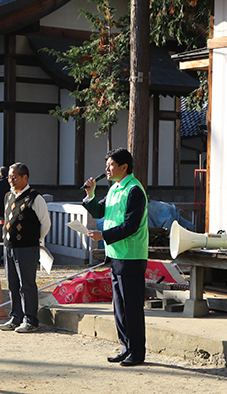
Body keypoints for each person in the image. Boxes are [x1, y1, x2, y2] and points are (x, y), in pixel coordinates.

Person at [82, 148, 148, 366]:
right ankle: (126, 346)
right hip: (117, 254)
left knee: (132, 306)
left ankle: (137, 351)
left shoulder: (134, 190)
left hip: (132, 255)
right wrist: (91, 194)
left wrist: (103, 235)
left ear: (123, 167)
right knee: (119, 306)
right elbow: (99, 212)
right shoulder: (115, 189)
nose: (106, 169)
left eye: (110, 165)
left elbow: (131, 225)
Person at [0, 162, 51, 333]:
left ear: (25, 178)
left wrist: (36, 239)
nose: (11, 181)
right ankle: (16, 317)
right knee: (12, 284)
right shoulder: (8, 196)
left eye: (14, 177)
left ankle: (30, 319)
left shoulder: (35, 198)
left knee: (26, 284)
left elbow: (45, 223)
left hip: (27, 247)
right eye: (9, 177)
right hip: (9, 246)